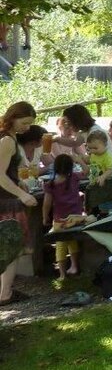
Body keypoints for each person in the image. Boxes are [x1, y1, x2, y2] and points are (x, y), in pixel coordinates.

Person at [0, 101, 38, 306]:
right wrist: (21, 195)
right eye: (24, 123)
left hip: (7, 195)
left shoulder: (9, 136)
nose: (27, 128)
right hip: (5, 201)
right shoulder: (7, 140)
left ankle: (4, 291)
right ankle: (5, 294)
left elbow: (6, 172)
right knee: (10, 249)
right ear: (13, 117)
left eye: (30, 124)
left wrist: (19, 181)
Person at [43, 154, 83, 280]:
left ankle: (62, 274)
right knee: (72, 241)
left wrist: (45, 217)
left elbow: (46, 204)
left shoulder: (51, 185)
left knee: (60, 245)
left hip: (61, 221)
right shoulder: (75, 178)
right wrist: (80, 160)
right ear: (71, 168)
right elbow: (86, 171)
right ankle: (75, 266)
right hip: (76, 218)